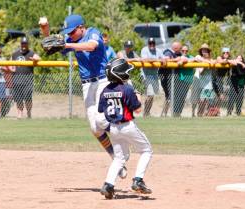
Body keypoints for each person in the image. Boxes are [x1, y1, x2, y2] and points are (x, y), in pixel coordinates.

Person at [39, 14, 127, 178]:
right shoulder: (71, 40)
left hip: (103, 81)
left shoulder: (92, 32)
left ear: (81, 27)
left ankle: (123, 143)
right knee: (95, 129)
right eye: (69, 33)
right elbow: (50, 44)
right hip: (87, 85)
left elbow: (92, 46)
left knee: (102, 119)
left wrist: (68, 44)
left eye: (72, 31)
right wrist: (45, 29)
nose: (70, 35)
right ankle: (116, 159)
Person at [98, 58, 152, 199]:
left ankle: (108, 185)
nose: (128, 72)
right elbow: (138, 109)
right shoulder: (126, 89)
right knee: (146, 150)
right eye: (126, 71)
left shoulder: (104, 90)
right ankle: (138, 180)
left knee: (119, 158)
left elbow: (101, 109)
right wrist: (138, 95)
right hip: (127, 126)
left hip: (114, 128)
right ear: (119, 74)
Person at [10, 37, 41, 119]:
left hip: (28, 80)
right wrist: (10, 68)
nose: (24, 45)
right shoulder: (15, 54)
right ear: (20, 44)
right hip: (16, 79)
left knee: (28, 98)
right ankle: (20, 114)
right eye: (22, 43)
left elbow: (39, 58)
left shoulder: (31, 53)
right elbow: (10, 65)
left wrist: (35, 59)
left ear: (28, 44)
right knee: (18, 99)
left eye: (25, 43)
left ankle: (29, 112)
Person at [158, 41, 184, 117]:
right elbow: (165, 59)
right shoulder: (168, 52)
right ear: (176, 48)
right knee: (169, 96)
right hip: (165, 77)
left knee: (170, 96)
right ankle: (164, 114)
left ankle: (165, 114)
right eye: (180, 48)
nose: (181, 50)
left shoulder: (177, 54)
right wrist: (176, 60)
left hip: (171, 77)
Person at [140, 37, 163, 117]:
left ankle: (147, 112)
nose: (152, 45)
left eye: (153, 43)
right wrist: (156, 60)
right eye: (150, 43)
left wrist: (159, 60)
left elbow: (163, 59)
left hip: (154, 75)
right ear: (148, 44)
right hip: (146, 75)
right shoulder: (144, 49)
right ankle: (145, 112)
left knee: (152, 96)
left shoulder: (158, 51)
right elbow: (145, 59)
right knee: (150, 95)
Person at [191, 43, 216, 117]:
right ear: (201, 51)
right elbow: (200, 72)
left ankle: (200, 114)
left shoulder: (211, 59)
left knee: (204, 99)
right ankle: (193, 113)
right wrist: (207, 62)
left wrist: (209, 61)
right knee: (195, 99)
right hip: (198, 79)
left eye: (206, 50)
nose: (204, 51)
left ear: (208, 51)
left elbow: (214, 64)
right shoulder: (198, 56)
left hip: (207, 81)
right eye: (203, 50)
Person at [173, 45, 194, 117]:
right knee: (178, 97)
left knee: (182, 97)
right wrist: (182, 60)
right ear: (181, 51)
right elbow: (180, 58)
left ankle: (178, 113)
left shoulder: (190, 57)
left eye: (186, 51)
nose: (185, 52)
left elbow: (195, 59)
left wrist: (185, 60)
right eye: (183, 51)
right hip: (180, 79)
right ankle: (176, 112)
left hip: (187, 80)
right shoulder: (179, 57)